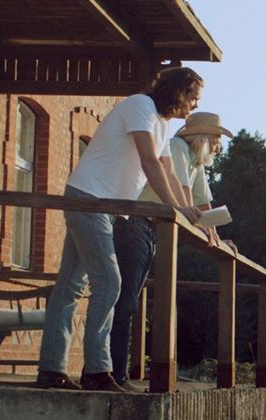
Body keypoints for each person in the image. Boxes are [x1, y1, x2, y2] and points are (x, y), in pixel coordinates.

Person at [35, 68, 204, 391]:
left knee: (70, 285)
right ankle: (97, 372)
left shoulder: (162, 123)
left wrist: (189, 213)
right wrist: (176, 208)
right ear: (177, 91)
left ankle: (50, 371)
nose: (193, 106)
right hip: (89, 199)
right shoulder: (139, 105)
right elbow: (150, 162)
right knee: (110, 282)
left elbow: (169, 172)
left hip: (105, 207)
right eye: (192, 98)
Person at [107, 111, 236, 385]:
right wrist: (203, 228)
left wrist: (215, 236)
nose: (218, 146)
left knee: (130, 299)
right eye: (215, 139)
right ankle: (112, 371)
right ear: (201, 138)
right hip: (135, 223)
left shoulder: (196, 162)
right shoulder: (177, 148)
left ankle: (113, 370)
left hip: (151, 228)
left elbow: (202, 205)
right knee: (126, 299)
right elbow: (184, 195)